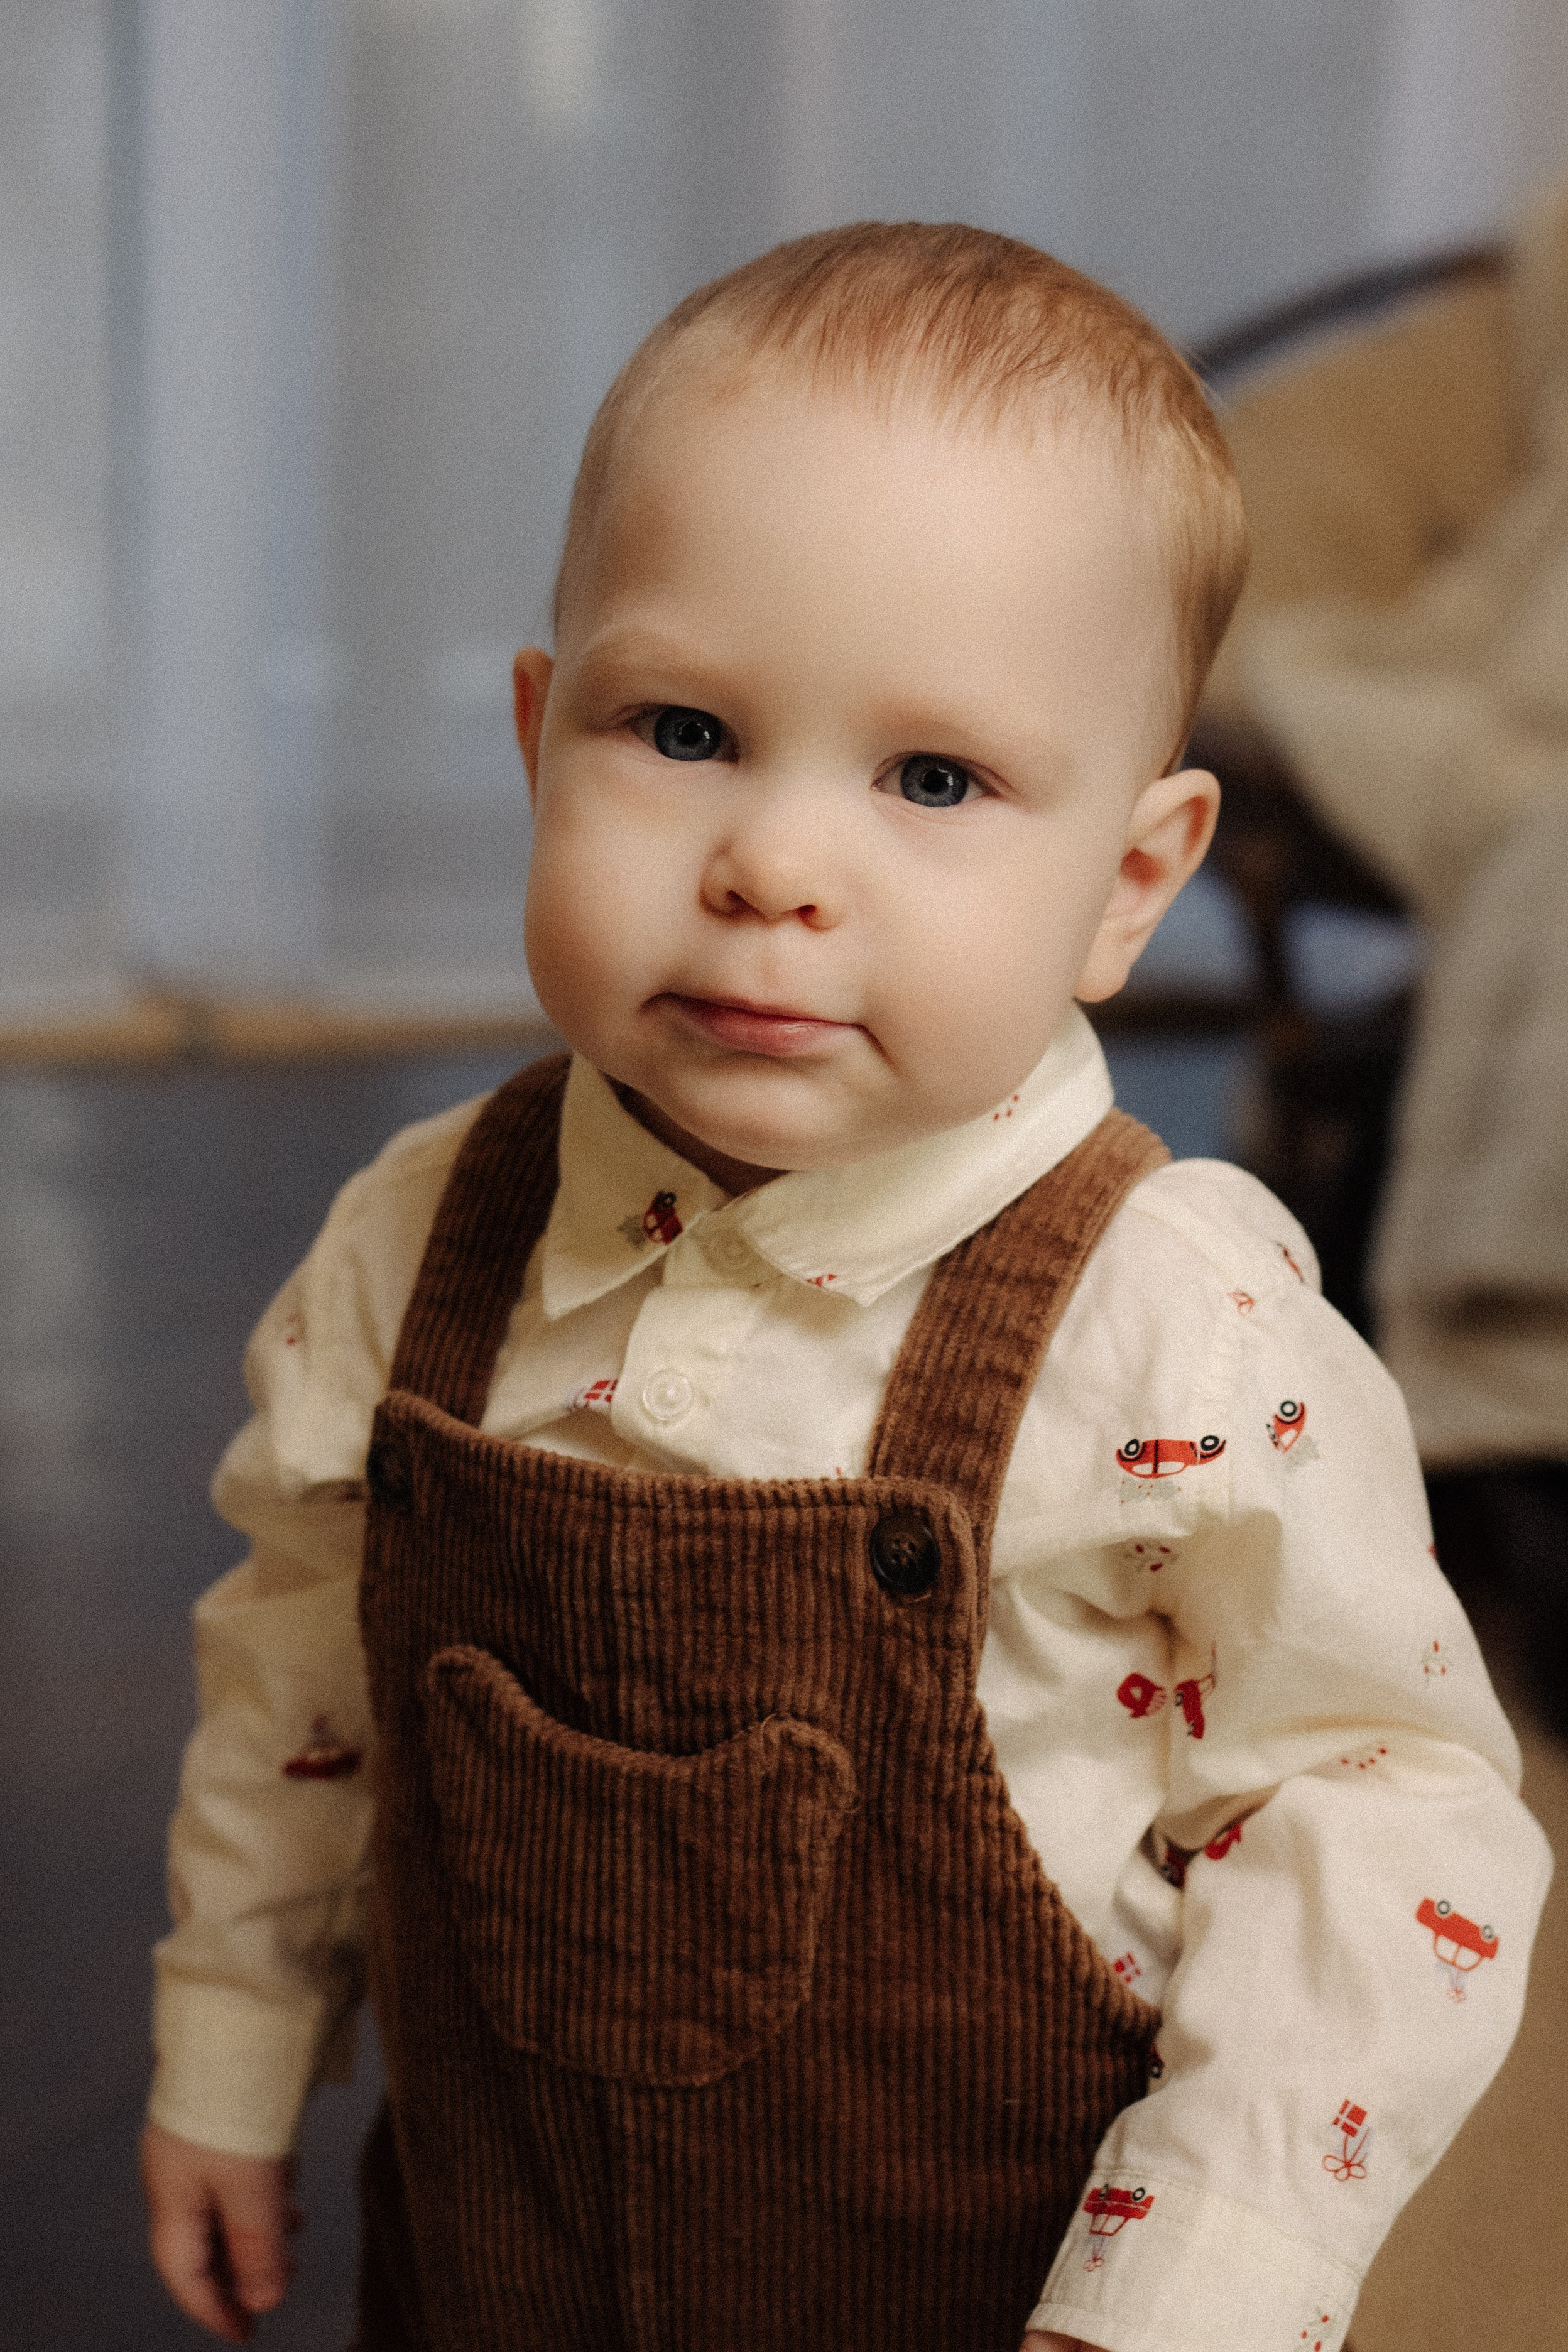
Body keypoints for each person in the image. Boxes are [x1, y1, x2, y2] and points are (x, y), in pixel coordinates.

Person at [139, 224, 1550, 2352]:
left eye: (932, 779)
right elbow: (298, 1685)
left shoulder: (1176, 1329)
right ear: (541, 739)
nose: (777, 863)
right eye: (684, 727)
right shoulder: (422, 1235)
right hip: (499, 2267)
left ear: (1130, 882)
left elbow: (1380, 1808)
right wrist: (233, 2050)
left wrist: (1203, 2283)